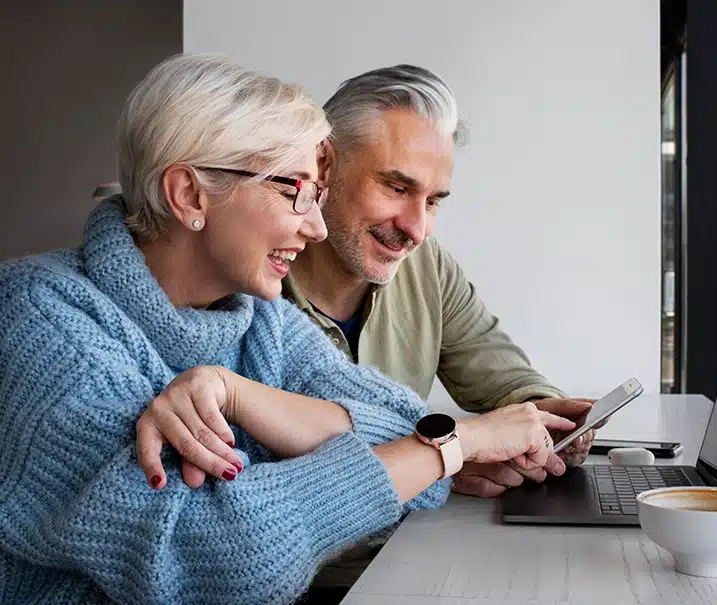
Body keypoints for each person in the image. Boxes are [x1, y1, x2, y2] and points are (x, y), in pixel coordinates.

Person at [0, 54, 574, 605]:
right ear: (190, 194)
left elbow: (399, 420)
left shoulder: (253, 316)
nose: (317, 228)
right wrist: (456, 447)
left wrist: (236, 392)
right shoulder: (42, 321)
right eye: (294, 189)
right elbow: (225, 558)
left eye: (317, 195)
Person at [284, 63, 599, 498]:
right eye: (396, 188)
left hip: (407, 545)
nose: (416, 229)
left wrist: (548, 417)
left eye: (432, 201)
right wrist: (450, 456)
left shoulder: (426, 264)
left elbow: (496, 367)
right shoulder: (250, 279)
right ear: (323, 164)